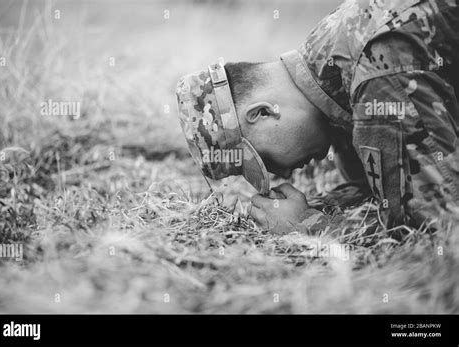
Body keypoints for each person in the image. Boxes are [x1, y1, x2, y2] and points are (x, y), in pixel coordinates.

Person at [176, 0, 459, 235]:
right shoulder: (328, 64)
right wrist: (326, 206)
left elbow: (440, 225)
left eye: (265, 161)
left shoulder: (373, 74)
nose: (284, 174)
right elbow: (378, 191)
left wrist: (309, 226)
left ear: (262, 112)